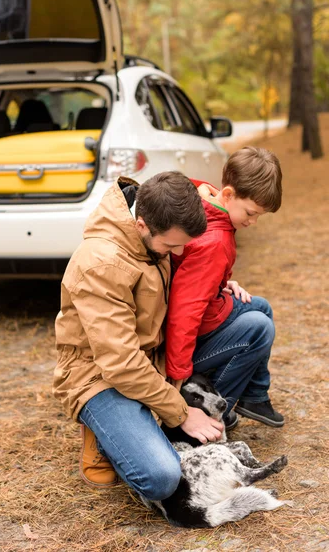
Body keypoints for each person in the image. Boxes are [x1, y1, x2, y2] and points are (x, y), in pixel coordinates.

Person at [53, 172, 224, 499]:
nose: (177, 253)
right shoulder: (101, 263)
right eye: (172, 246)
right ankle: (101, 428)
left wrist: (221, 286)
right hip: (100, 374)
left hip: (152, 356)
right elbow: (121, 365)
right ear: (142, 225)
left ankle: (157, 423)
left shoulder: (160, 228)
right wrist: (183, 413)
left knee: (252, 325)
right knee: (160, 478)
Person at [165, 146, 284, 430]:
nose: (253, 223)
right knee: (259, 327)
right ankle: (214, 406)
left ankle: (253, 395)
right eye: (251, 213)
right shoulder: (216, 242)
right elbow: (185, 311)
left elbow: (193, 275)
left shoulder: (204, 200)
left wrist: (219, 283)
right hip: (189, 340)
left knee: (261, 306)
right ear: (228, 195)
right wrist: (177, 377)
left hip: (210, 314)